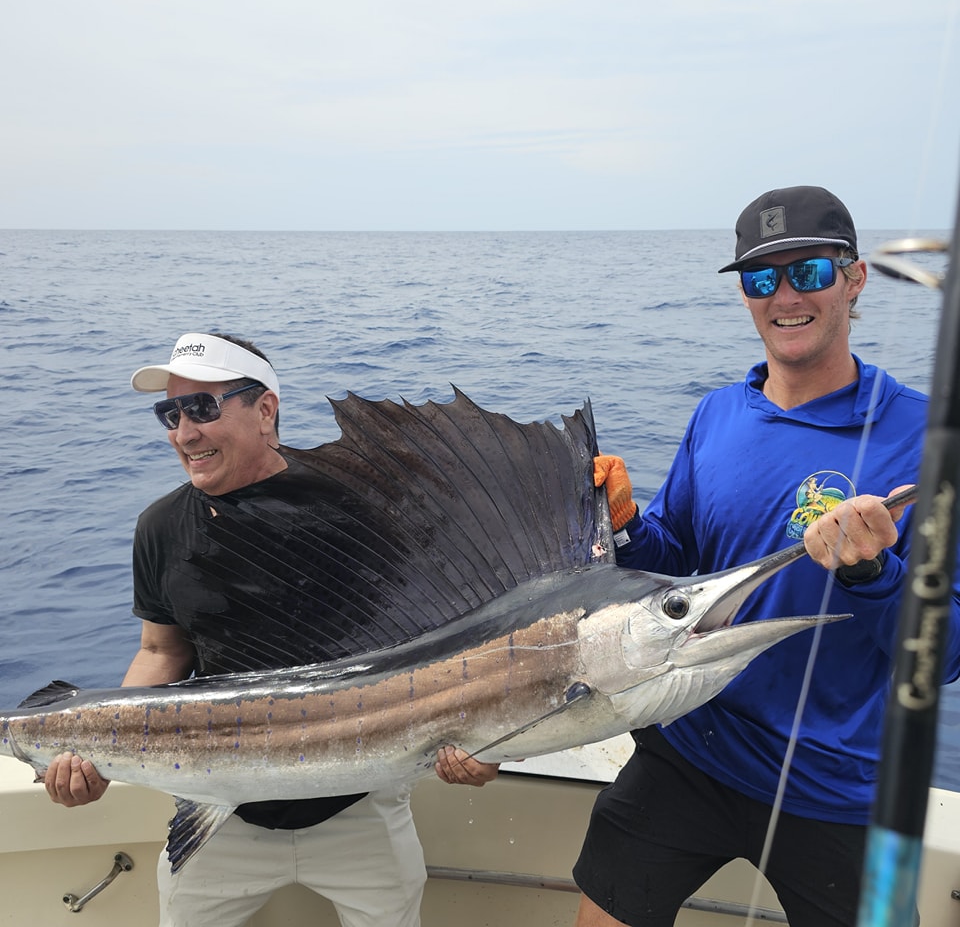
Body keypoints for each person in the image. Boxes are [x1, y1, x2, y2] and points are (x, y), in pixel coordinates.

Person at [573, 186, 960, 927]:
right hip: (692, 746)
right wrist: (623, 525)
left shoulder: (925, 438)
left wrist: (873, 574)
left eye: (807, 272)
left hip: (836, 786)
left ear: (854, 278)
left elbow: (945, 658)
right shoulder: (716, 413)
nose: (784, 296)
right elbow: (677, 559)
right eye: (760, 278)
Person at [41, 331, 498, 927]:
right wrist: (103, 751)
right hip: (217, 807)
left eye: (201, 408)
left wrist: (489, 742)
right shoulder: (160, 526)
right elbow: (160, 651)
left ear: (265, 410)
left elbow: (444, 650)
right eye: (170, 414)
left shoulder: (359, 510)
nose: (184, 433)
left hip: (359, 805)